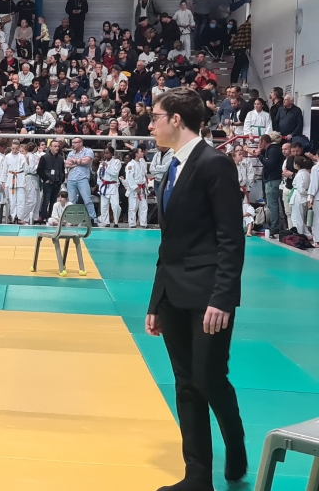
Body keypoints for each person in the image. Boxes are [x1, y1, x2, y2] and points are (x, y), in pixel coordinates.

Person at [145, 88, 246, 491]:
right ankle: (197, 475)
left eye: (155, 117)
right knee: (185, 383)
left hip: (208, 293)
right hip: (173, 291)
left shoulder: (214, 164)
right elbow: (168, 243)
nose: (150, 125)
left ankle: (235, 445)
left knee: (209, 377)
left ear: (176, 120)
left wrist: (223, 297)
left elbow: (230, 238)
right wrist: (156, 301)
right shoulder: (171, 166)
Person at [65, 136, 96, 221]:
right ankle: (73, 220)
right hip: (71, 179)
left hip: (82, 178)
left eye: (75, 143)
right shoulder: (71, 153)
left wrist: (74, 161)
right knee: (71, 201)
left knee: (87, 200)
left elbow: (86, 161)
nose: (73, 144)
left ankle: (93, 218)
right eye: (72, 142)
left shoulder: (88, 151)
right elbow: (67, 164)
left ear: (81, 143)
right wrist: (79, 162)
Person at [37, 139, 65, 222]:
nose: (57, 148)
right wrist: (46, 179)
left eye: (58, 146)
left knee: (54, 201)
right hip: (48, 182)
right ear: (50, 147)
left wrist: (61, 180)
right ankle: (43, 217)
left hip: (57, 182)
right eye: (55, 146)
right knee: (46, 200)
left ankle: (52, 217)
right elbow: (39, 170)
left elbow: (62, 170)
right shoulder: (44, 157)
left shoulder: (60, 158)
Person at [97, 146, 122, 227]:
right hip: (104, 186)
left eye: (107, 153)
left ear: (112, 154)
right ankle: (106, 222)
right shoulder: (101, 164)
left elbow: (115, 173)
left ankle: (116, 222)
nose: (105, 155)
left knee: (115, 205)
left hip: (113, 185)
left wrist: (107, 166)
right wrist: (100, 185)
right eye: (104, 153)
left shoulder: (117, 162)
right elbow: (99, 176)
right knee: (104, 206)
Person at [124, 147, 149, 228]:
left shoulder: (142, 162)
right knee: (133, 207)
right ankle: (132, 224)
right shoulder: (131, 164)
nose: (142, 153)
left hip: (142, 187)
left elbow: (144, 175)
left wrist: (145, 186)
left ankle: (143, 223)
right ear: (136, 154)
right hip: (134, 189)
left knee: (144, 206)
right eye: (141, 152)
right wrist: (135, 187)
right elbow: (129, 178)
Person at [289, 156, 312, 235]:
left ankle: (299, 235)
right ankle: (307, 234)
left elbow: (301, 189)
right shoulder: (307, 173)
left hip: (299, 197)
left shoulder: (300, 175)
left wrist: (306, 194)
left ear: (296, 164)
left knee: (296, 218)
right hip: (303, 198)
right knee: (300, 218)